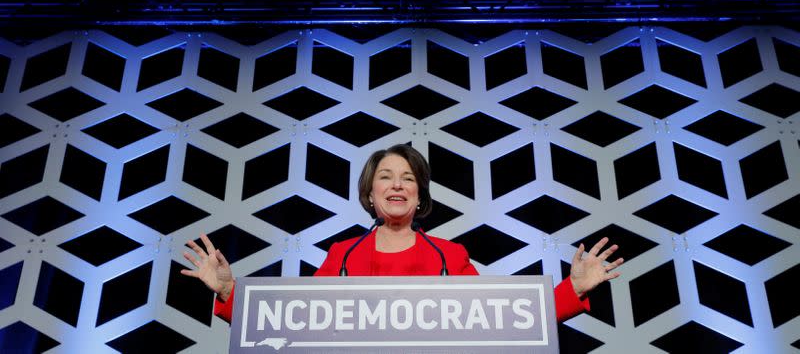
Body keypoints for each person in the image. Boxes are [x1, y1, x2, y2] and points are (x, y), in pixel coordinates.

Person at [182, 144, 623, 323]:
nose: (397, 185)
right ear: (371, 194)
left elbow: (502, 322)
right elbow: (297, 324)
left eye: (408, 178)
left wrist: (573, 290)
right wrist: (228, 293)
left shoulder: (450, 254)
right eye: (387, 177)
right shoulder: (342, 255)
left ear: (419, 195)